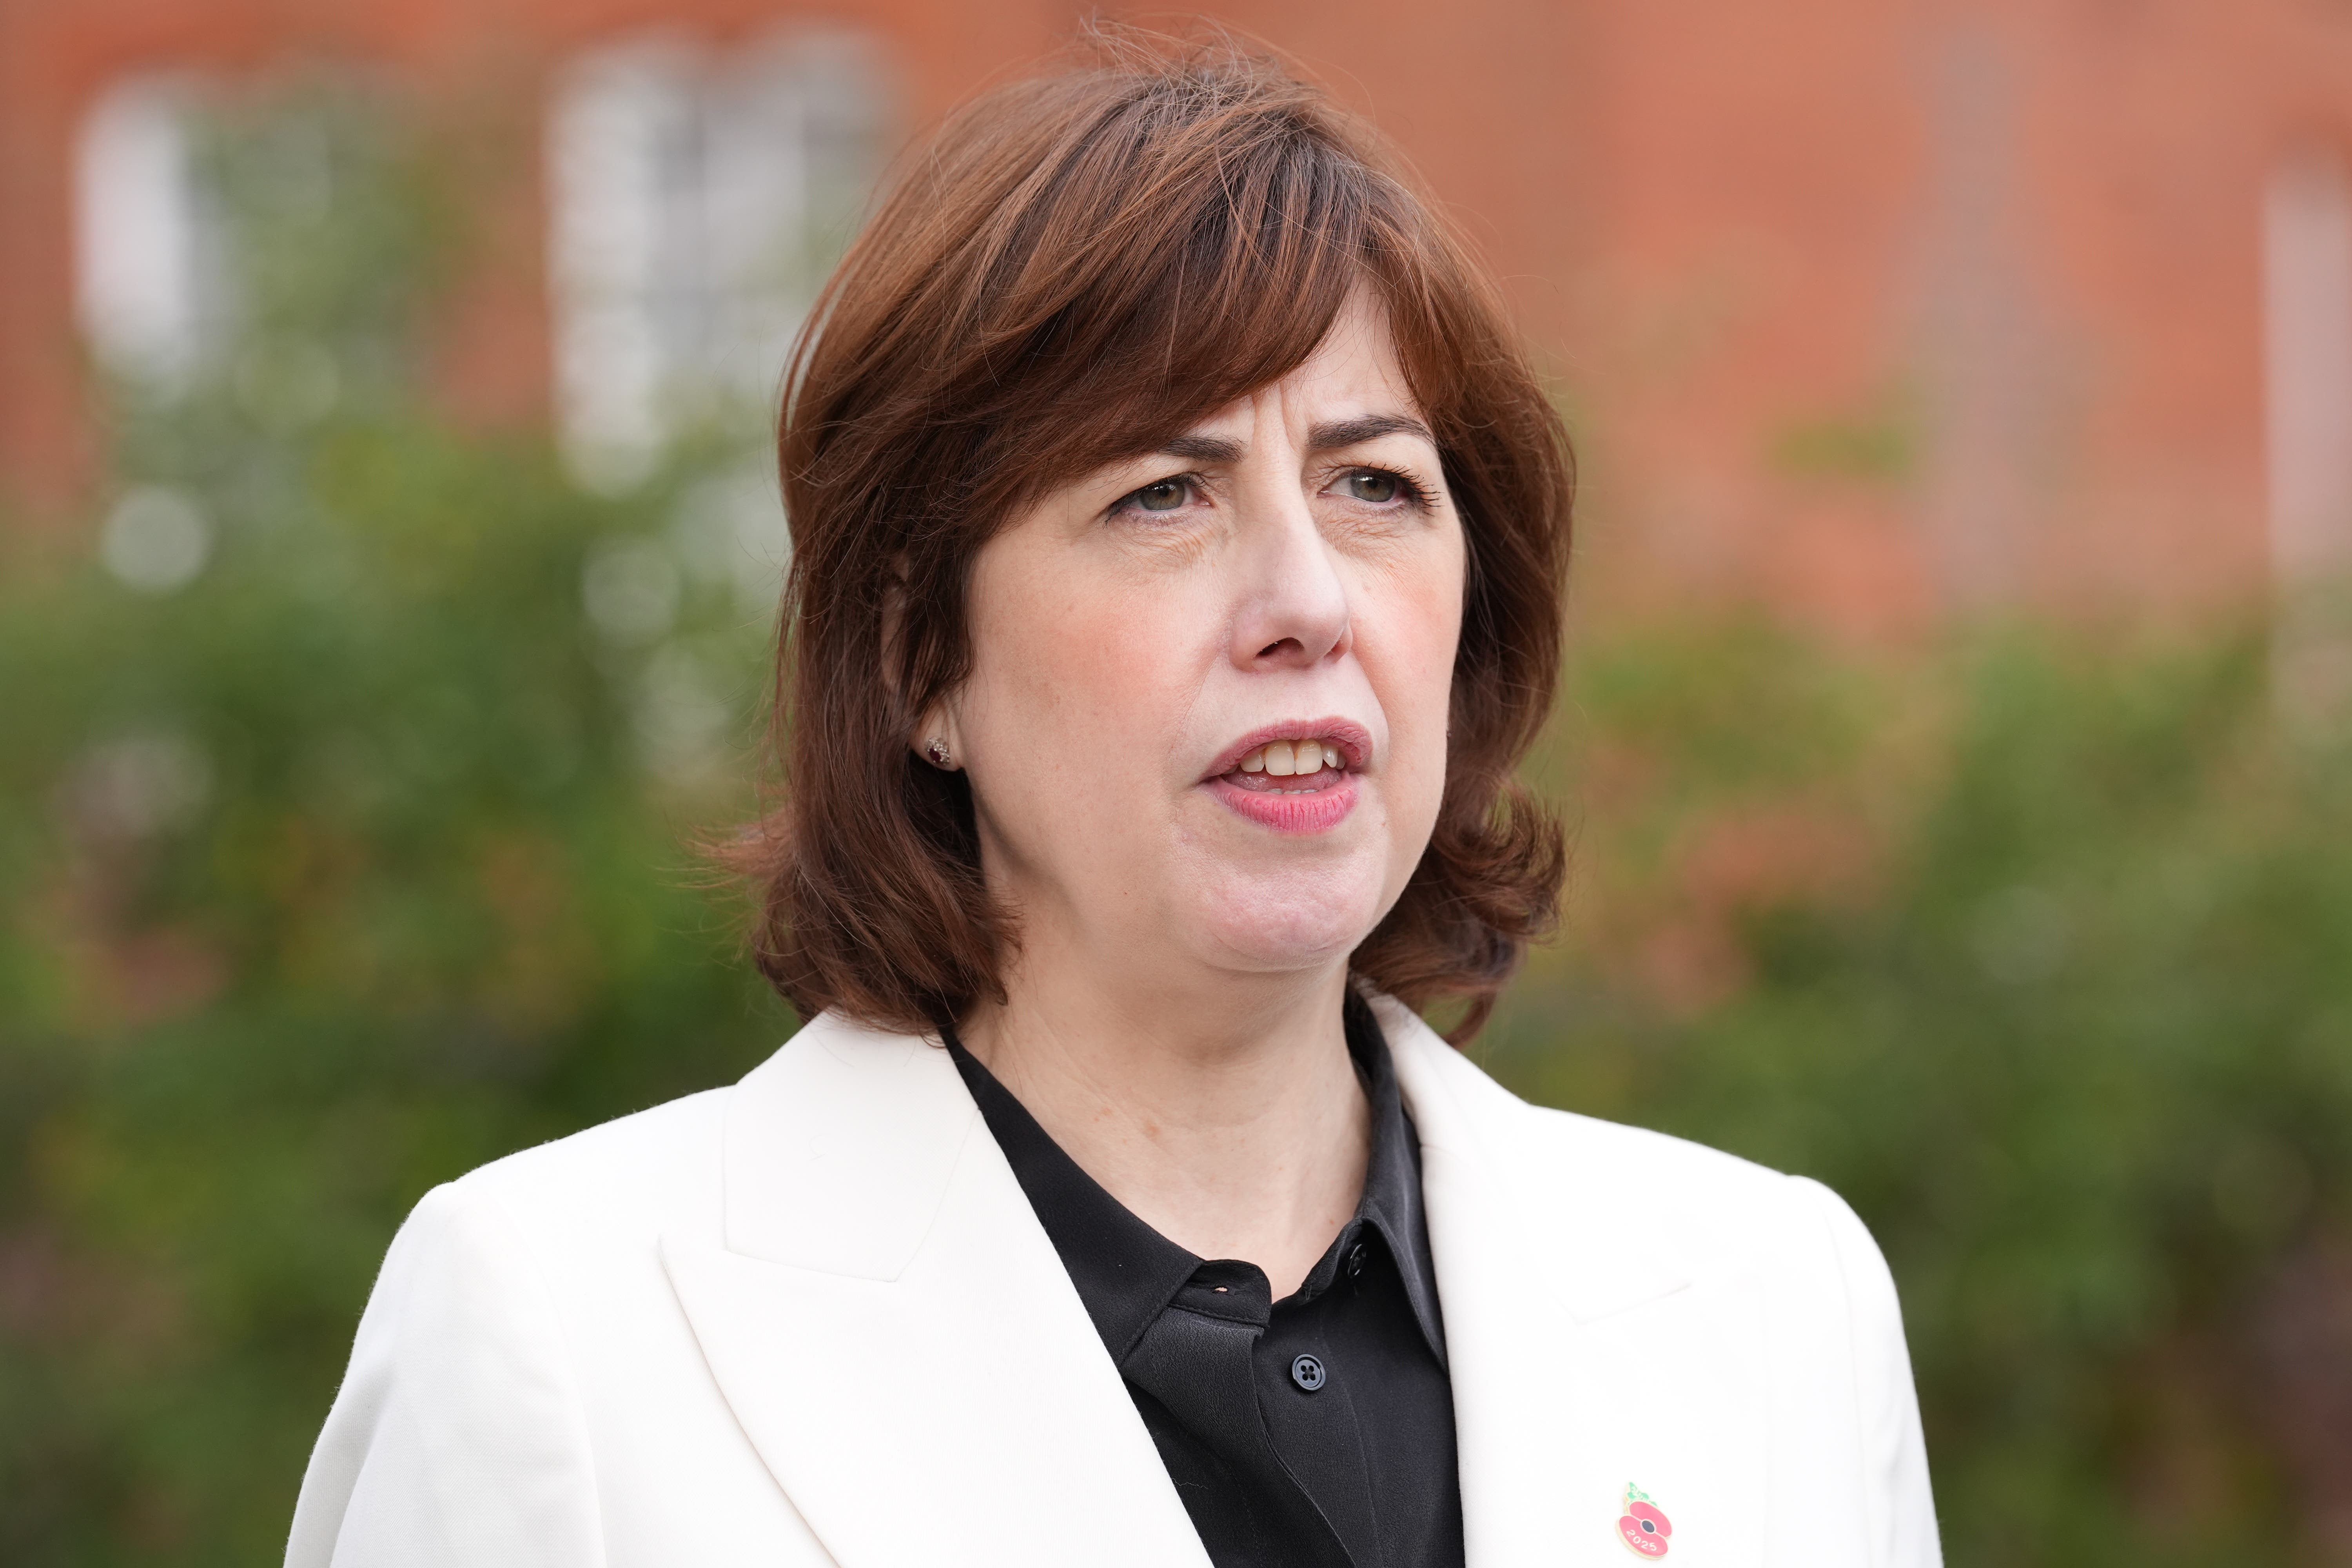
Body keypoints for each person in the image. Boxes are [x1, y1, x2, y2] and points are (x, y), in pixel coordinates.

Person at [285, 32, 1940, 1568]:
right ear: (919, 654)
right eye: (1163, 495)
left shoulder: (1775, 1310)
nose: (1309, 598)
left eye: (1375, 485)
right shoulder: (557, 1335)